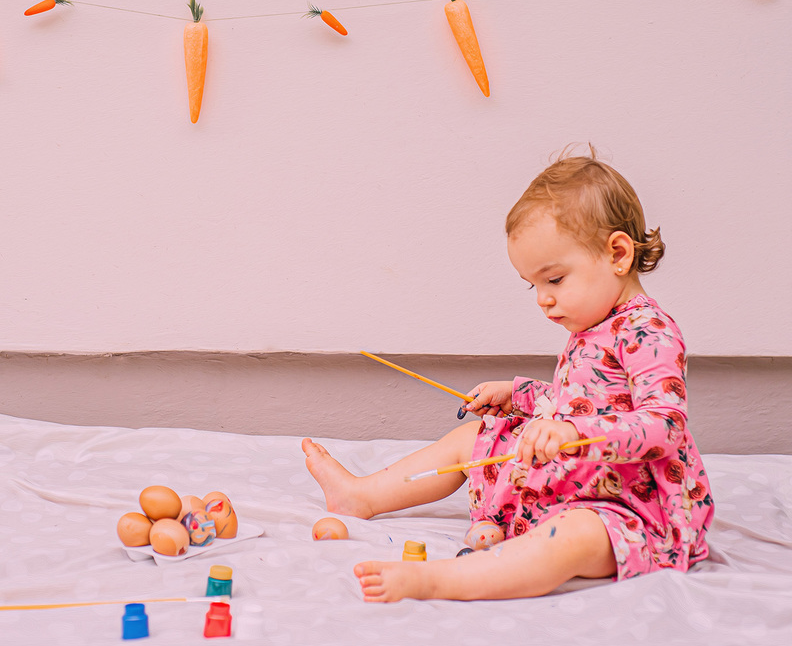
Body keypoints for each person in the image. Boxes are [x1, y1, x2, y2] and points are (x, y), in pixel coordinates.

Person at [302, 147, 714, 602]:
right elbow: (579, 399)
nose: (542, 299)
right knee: (474, 437)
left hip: (627, 504)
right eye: (532, 285)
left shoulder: (648, 330)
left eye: (554, 280)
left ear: (617, 253)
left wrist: (568, 430)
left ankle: (440, 580)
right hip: (575, 474)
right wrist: (519, 396)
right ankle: (363, 496)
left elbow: (666, 425)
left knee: (575, 536)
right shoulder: (594, 321)